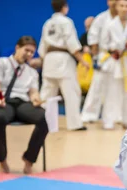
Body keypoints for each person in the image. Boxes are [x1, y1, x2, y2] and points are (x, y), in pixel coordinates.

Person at [0, 36, 49, 174]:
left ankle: (29, 159)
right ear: (17, 48)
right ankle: (2, 161)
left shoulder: (31, 72)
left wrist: (36, 99)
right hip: (2, 101)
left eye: (32, 52)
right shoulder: (1, 63)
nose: (29, 54)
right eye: (27, 50)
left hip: (22, 104)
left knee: (46, 118)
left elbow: (33, 91)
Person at [38, 0, 88, 132]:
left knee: (46, 93)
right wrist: (82, 60)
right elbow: (71, 42)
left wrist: (43, 59)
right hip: (63, 59)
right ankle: (74, 124)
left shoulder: (47, 23)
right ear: (65, 8)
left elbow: (42, 45)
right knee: (71, 92)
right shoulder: (66, 22)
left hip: (49, 58)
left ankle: (41, 120)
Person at [98, 0, 127, 129]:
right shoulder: (109, 24)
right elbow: (103, 44)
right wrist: (113, 49)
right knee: (111, 92)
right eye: (122, 5)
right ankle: (108, 121)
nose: (124, 8)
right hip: (115, 60)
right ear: (116, 7)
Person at [80, 0, 118, 123]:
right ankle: (89, 114)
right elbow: (93, 37)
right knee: (96, 86)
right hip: (103, 55)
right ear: (108, 2)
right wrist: (95, 56)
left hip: (119, 57)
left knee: (116, 87)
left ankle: (115, 116)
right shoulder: (101, 18)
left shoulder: (125, 20)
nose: (115, 2)